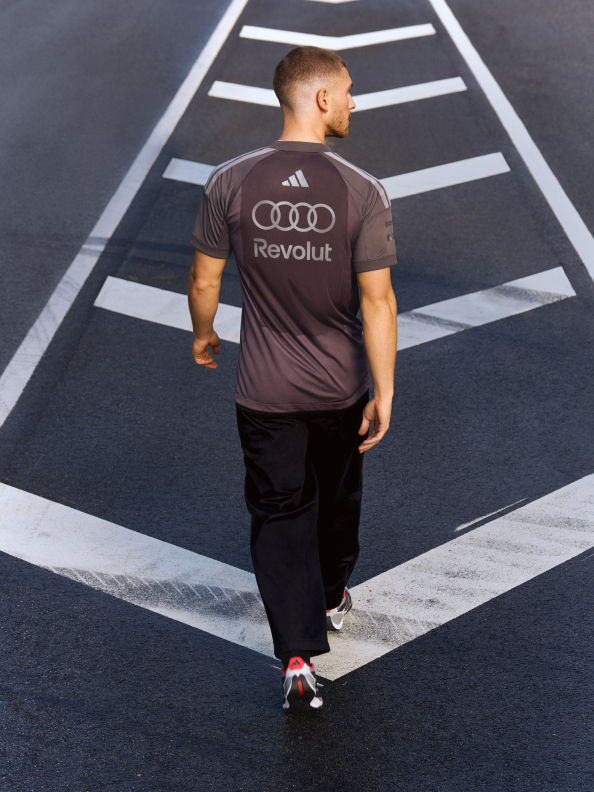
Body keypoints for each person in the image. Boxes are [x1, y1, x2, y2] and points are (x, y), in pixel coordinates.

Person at [188, 46, 397, 712]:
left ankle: (297, 655)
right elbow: (378, 302)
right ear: (321, 99)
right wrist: (385, 389)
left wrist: (203, 331)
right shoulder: (361, 189)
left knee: (280, 512)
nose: (355, 102)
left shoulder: (230, 181)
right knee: (335, 509)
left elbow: (204, 279)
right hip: (340, 392)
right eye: (350, 90)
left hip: (264, 395)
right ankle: (331, 596)